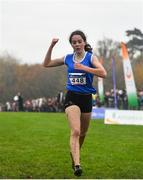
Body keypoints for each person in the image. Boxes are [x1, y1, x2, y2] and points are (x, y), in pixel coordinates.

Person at [43, 30, 107, 176]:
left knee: (83, 133)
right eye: (74, 42)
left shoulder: (91, 58)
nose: (77, 44)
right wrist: (51, 46)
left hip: (86, 99)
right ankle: (77, 165)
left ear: (84, 42)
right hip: (72, 97)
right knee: (76, 131)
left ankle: (74, 156)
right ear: (71, 44)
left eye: (79, 41)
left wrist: (84, 68)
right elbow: (46, 64)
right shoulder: (68, 58)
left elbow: (103, 73)